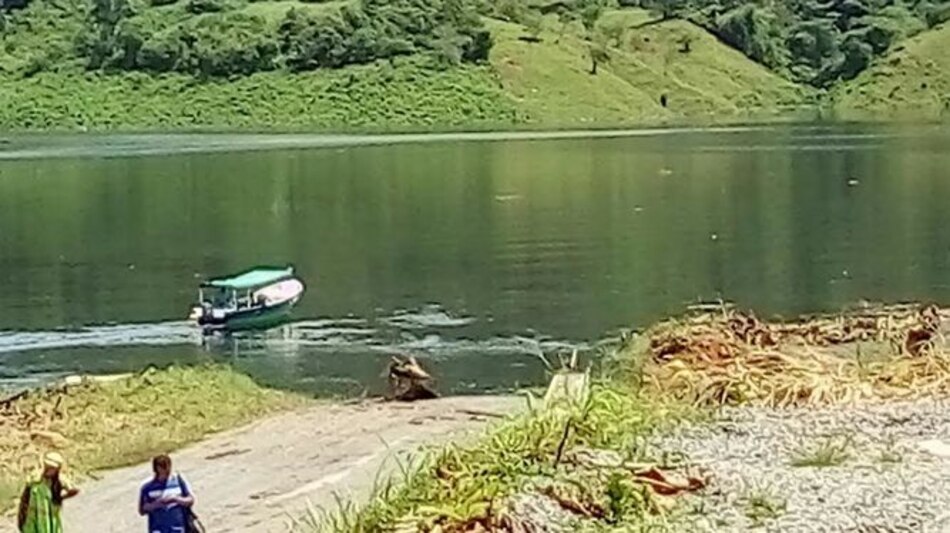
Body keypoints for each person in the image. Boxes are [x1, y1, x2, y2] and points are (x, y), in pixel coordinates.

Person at [17, 451, 80, 533]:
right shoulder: (35, 477)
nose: (48, 469)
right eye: (48, 466)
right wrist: (22, 515)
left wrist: (61, 498)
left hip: (50, 516)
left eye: (52, 468)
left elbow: (74, 490)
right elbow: (25, 496)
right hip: (34, 516)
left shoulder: (60, 480)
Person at [138, 454, 195, 533]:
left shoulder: (179, 481)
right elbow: (142, 509)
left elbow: (190, 500)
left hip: (178, 528)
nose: (166, 470)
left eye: (168, 466)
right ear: (156, 469)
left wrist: (176, 499)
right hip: (157, 529)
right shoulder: (147, 487)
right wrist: (157, 504)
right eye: (162, 467)